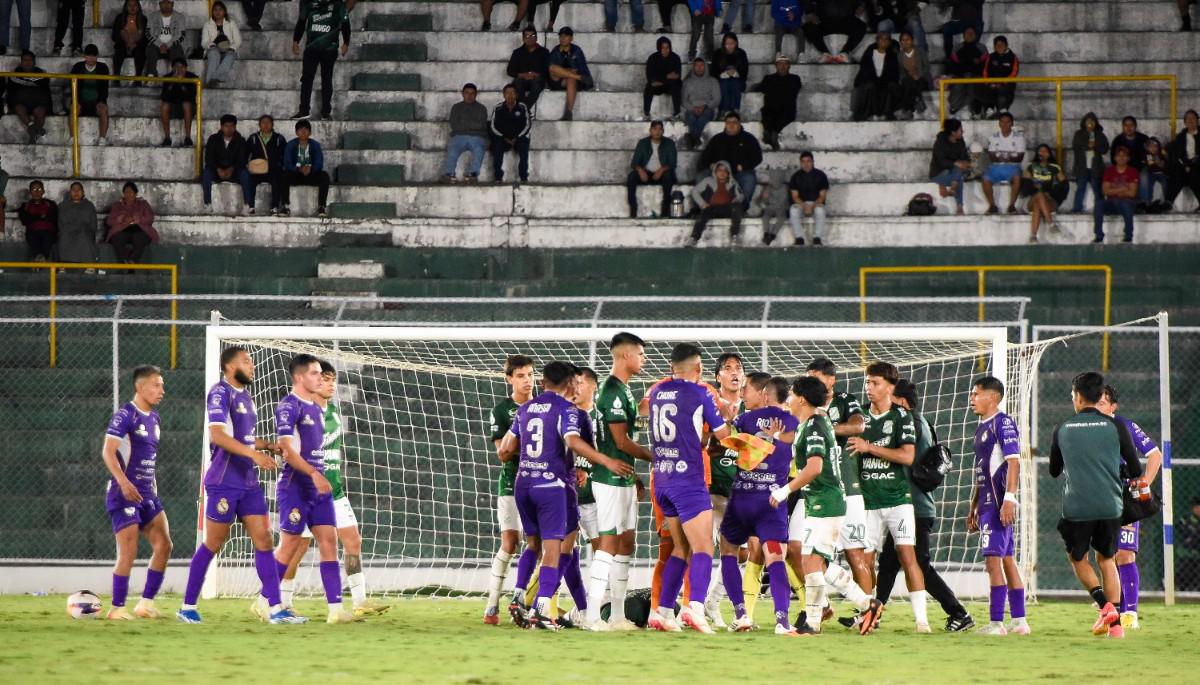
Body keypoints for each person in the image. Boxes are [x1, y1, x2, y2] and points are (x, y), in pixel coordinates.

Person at [498, 362, 633, 630]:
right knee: (554, 550)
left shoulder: (525, 409)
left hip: (524, 484)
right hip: (552, 487)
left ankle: (517, 596)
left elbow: (504, 451)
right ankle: (539, 608)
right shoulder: (567, 411)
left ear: (544, 381)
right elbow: (572, 441)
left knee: (538, 544)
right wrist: (605, 461)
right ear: (570, 383)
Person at [177, 347, 303, 625]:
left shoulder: (246, 396)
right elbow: (218, 436)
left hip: (247, 482)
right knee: (213, 543)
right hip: (224, 482)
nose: (253, 365)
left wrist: (266, 446)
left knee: (264, 539)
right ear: (230, 367)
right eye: (247, 361)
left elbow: (243, 438)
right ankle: (187, 606)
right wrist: (254, 455)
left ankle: (275, 607)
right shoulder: (220, 393)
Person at [273, 362, 389, 619]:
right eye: (325, 379)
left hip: (334, 491)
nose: (330, 384)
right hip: (307, 490)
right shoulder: (306, 413)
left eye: (333, 379)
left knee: (353, 540)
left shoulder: (334, 413)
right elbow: (292, 450)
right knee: (297, 547)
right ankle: (282, 600)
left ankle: (359, 600)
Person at [1048, 371, 1143, 639]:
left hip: (1077, 506)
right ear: (1100, 396)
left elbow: (1055, 471)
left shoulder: (1063, 428)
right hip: (1112, 506)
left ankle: (1105, 607)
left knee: (1078, 559)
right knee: (1107, 559)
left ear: (1078, 397)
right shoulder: (1117, 427)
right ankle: (1115, 629)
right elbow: (1135, 468)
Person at [644, 343, 730, 633]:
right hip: (689, 481)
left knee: (680, 548)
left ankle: (662, 611)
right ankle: (694, 608)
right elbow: (723, 434)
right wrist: (726, 417)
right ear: (699, 368)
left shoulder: (657, 392)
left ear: (672, 366)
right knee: (704, 546)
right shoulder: (700, 392)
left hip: (663, 480)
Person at [875, 379, 973, 633]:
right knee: (888, 564)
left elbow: (903, 459)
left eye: (892, 400)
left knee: (919, 565)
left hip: (914, 507)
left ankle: (959, 612)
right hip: (910, 505)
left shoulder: (911, 424)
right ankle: (872, 613)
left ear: (903, 402)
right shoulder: (921, 422)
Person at [784, 375, 879, 635]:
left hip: (826, 501)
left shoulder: (814, 425)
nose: (789, 399)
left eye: (791, 394)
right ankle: (865, 604)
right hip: (819, 500)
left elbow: (814, 467)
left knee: (812, 564)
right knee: (815, 563)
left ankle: (815, 623)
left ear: (802, 398)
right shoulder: (812, 422)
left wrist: (784, 491)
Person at [846, 361, 931, 633]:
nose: (869, 388)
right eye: (867, 382)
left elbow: (906, 456)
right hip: (866, 501)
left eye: (875, 383)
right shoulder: (858, 417)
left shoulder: (902, 417)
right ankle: (870, 614)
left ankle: (922, 621)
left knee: (908, 556)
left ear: (890, 387)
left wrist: (869, 447)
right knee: (865, 561)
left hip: (897, 499)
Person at [717, 372, 800, 635]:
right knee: (775, 556)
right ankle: (781, 621)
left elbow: (723, 441)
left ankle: (741, 614)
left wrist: (728, 418)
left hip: (742, 498)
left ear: (765, 395)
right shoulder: (793, 422)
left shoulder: (745, 419)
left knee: (728, 552)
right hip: (772, 500)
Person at [582, 332, 653, 631]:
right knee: (609, 544)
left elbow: (630, 432)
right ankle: (591, 616)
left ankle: (619, 615)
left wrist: (645, 412)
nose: (643, 359)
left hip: (623, 478)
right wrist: (657, 459)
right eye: (639, 353)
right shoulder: (611, 390)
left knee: (626, 544)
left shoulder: (623, 391)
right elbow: (621, 442)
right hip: (609, 479)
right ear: (625, 355)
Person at [805, 357, 874, 625]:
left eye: (817, 377)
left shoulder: (845, 400)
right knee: (807, 552)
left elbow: (858, 425)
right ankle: (820, 608)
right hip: (817, 491)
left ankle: (867, 613)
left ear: (831, 379)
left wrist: (826, 428)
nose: (812, 382)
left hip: (849, 489)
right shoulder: (806, 406)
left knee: (856, 554)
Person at [101, 366, 172, 620]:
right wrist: (123, 482)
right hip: (124, 494)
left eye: (162, 386)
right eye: (156, 385)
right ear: (140, 387)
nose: (161, 390)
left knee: (164, 545)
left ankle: (145, 604)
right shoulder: (125, 415)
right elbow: (108, 452)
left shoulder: (155, 419)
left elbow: (148, 458)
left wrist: (153, 490)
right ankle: (117, 608)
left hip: (147, 494)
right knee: (128, 551)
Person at [964, 376, 1028, 635]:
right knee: (1008, 560)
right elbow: (983, 472)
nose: (972, 399)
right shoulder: (981, 427)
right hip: (988, 504)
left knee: (993, 563)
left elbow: (1014, 462)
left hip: (1000, 504)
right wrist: (974, 506)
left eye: (976, 394)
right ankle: (1020, 621)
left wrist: (1009, 500)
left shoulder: (1003, 423)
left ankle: (996, 623)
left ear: (993, 397)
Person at [1096, 384, 1163, 630]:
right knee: (1106, 555)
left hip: (1123, 496)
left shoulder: (1125, 425)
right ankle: (1114, 608)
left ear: (1114, 406)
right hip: (1096, 497)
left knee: (1125, 554)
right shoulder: (1087, 428)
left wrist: (1144, 483)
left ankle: (1130, 614)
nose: (1098, 407)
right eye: (1096, 402)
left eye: (1103, 402)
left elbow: (1154, 454)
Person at [482, 355, 536, 625]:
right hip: (512, 482)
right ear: (509, 379)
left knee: (541, 543)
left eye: (530, 375)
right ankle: (492, 604)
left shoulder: (542, 405)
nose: (527, 380)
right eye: (521, 376)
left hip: (541, 483)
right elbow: (501, 454)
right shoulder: (502, 411)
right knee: (510, 543)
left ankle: (533, 602)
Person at [293, 0, 351, 119]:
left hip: (330, 49)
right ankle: (304, 110)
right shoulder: (308, 3)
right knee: (306, 78)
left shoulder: (338, 5)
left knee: (327, 79)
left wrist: (346, 43)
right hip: (311, 48)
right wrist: (295, 41)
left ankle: (326, 112)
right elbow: (301, 22)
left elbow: (345, 24)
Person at [699, 111, 761, 207]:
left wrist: (744, 166)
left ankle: (741, 207)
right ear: (725, 124)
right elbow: (705, 158)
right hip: (719, 173)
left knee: (749, 178)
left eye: (734, 122)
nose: (731, 125)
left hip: (739, 172)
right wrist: (712, 165)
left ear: (739, 123)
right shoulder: (717, 139)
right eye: (728, 122)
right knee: (701, 176)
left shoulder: (749, 139)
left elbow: (757, 157)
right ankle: (705, 206)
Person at [627, 120, 677, 218]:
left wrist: (661, 170)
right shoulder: (643, 143)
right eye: (655, 129)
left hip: (662, 174)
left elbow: (672, 163)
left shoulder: (669, 143)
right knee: (631, 176)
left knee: (668, 176)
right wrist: (640, 170)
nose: (657, 131)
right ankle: (633, 208)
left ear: (663, 131)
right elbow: (634, 163)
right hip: (646, 174)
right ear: (650, 130)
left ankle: (665, 211)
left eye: (660, 129)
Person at [281, 119, 331, 217]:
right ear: (296, 132)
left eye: (306, 129)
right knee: (283, 175)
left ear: (310, 132)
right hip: (296, 174)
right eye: (300, 130)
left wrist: (310, 169)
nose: (303, 132)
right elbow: (287, 163)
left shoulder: (315, 145)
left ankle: (321, 206)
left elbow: (319, 162)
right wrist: (298, 169)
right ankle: (285, 206)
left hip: (310, 174)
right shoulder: (291, 145)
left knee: (324, 176)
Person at [752, 53, 803, 150]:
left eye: (785, 64)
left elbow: (793, 91)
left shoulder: (794, 78)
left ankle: (772, 134)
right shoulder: (769, 78)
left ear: (789, 66)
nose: (782, 66)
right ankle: (770, 134)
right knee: (766, 113)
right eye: (780, 64)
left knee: (785, 114)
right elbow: (759, 88)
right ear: (776, 66)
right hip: (771, 108)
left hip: (787, 109)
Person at [202, 113, 250, 215]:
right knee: (206, 173)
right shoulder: (213, 139)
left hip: (234, 172)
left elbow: (242, 160)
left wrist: (231, 169)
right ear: (221, 126)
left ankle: (247, 205)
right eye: (226, 126)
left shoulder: (240, 141)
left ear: (235, 127)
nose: (229, 129)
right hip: (217, 171)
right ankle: (207, 204)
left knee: (245, 174)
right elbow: (209, 158)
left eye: (232, 126)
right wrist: (218, 169)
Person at [443, 83, 490, 183]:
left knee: (479, 149)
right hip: (459, 136)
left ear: (476, 95)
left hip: (477, 137)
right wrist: (473, 124)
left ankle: (473, 174)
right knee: (453, 149)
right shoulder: (456, 107)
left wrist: (464, 122)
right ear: (462, 94)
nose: (469, 96)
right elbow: (454, 125)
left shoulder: (482, 108)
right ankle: (449, 174)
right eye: (467, 93)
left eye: (472, 93)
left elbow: (481, 125)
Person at [689, 161, 744, 245]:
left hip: (727, 208)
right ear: (715, 171)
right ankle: (694, 238)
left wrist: (736, 199)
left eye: (725, 171)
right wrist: (702, 203)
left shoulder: (733, 182)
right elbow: (694, 191)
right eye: (720, 170)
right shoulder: (708, 180)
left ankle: (734, 236)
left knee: (737, 208)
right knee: (702, 215)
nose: (722, 173)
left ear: (728, 173)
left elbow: (741, 195)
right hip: (712, 208)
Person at [1022, 144, 1068, 242]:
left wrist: (1051, 194)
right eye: (1040, 151)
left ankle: (1033, 236)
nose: (1042, 153)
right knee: (1039, 195)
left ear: (1049, 154)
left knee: (1037, 205)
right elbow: (1025, 184)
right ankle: (1050, 223)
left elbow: (1064, 185)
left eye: (1045, 151)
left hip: (1050, 200)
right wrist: (1034, 187)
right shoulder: (1031, 166)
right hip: (1033, 197)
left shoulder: (1054, 167)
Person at [982, 112, 1025, 214]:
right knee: (985, 179)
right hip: (996, 167)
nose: (1005, 124)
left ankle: (1012, 206)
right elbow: (992, 157)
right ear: (999, 123)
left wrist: (1001, 155)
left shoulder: (1019, 138)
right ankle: (992, 206)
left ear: (1012, 123)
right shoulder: (993, 137)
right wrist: (1010, 155)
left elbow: (1020, 157)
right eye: (1003, 122)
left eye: (1008, 122)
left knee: (1017, 178)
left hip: (1013, 167)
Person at [68, 45, 111, 146]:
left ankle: (102, 138)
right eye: (88, 56)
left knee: (103, 109)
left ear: (97, 56)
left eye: (93, 56)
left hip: (96, 101)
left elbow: (105, 87)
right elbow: (72, 86)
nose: (91, 59)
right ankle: (73, 137)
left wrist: (101, 101)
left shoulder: (103, 67)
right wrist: (76, 101)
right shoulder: (77, 67)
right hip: (81, 101)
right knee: (73, 108)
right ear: (84, 56)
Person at [105, 182, 158, 264]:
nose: (128, 194)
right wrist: (121, 219)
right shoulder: (117, 206)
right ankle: (124, 261)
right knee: (117, 238)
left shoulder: (143, 204)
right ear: (123, 194)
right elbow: (109, 221)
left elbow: (150, 218)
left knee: (140, 238)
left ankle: (133, 261)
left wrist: (138, 219)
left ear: (136, 194)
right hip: (122, 230)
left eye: (131, 192)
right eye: (126, 192)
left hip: (139, 230)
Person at [243, 114, 286, 215]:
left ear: (272, 125)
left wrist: (279, 165)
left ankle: (274, 207)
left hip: (273, 170)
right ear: (259, 125)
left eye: (268, 123)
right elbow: (245, 154)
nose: (266, 125)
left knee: (276, 180)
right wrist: (247, 165)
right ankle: (251, 206)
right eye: (263, 123)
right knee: (250, 180)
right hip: (257, 170)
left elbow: (284, 155)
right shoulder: (253, 138)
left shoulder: (279, 139)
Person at [1094, 145, 1138, 243]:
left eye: (1124, 156)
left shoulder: (1132, 171)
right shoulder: (1109, 171)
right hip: (1112, 202)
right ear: (1114, 158)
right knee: (1099, 204)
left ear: (1128, 158)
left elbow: (1132, 193)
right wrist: (1122, 189)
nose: (1121, 158)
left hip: (1127, 202)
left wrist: (1114, 190)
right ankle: (1098, 235)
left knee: (1125, 204)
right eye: (1119, 155)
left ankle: (1128, 235)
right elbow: (1105, 191)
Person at [851, 31, 899, 122]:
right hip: (868, 81)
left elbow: (893, 74)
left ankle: (886, 113)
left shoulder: (892, 55)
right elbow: (864, 71)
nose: (883, 41)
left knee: (891, 86)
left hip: (884, 82)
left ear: (889, 42)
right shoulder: (869, 52)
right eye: (881, 38)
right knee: (870, 86)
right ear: (877, 40)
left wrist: (882, 81)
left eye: (886, 39)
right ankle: (868, 114)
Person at [548, 27, 593, 121]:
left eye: (566, 36)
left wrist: (566, 72)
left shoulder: (577, 50)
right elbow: (552, 69)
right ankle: (576, 77)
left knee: (571, 79)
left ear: (571, 38)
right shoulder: (555, 50)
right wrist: (569, 71)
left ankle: (568, 112)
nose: (563, 38)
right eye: (561, 36)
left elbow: (582, 69)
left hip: (575, 81)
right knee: (553, 68)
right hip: (560, 80)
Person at [489, 84, 532, 184]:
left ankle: (523, 177)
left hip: (519, 137)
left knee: (524, 147)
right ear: (504, 95)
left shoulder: (522, 107)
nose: (510, 95)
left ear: (516, 95)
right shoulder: (498, 108)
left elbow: (528, 125)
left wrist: (517, 137)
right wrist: (504, 137)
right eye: (507, 93)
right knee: (497, 146)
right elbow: (493, 126)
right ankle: (498, 177)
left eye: (512, 92)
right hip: (503, 138)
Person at [802, 0, 867, 64]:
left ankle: (844, 53)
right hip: (824, 20)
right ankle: (825, 54)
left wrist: (861, 5)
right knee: (809, 27)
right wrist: (809, 12)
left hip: (847, 20)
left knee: (861, 26)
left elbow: (862, 2)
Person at [786, 150, 829, 245]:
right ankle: (799, 238)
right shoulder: (795, 177)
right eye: (803, 161)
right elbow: (795, 196)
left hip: (816, 203)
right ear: (800, 163)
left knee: (820, 210)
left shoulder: (821, 176)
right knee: (793, 210)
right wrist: (805, 206)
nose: (806, 164)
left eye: (808, 161)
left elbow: (822, 196)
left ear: (813, 162)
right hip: (801, 203)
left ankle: (817, 238)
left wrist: (812, 206)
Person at [7, 51, 51, 144]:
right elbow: (11, 93)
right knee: (19, 108)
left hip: (38, 103)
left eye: (30, 60)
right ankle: (34, 128)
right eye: (25, 60)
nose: (27, 62)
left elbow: (46, 91)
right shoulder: (15, 73)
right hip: (21, 103)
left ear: (34, 62)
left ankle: (33, 134)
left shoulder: (42, 73)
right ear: (21, 62)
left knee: (40, 111)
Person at [930, 118, 971, 214]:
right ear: (953, 132)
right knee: (958, 175)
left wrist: (966, 163)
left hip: (954, 174)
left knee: (958, 172)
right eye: (960, 130)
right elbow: (941, 161)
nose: (962, 132)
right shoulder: (940, 142)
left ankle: (959, 204)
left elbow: (965, 156)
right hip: (939, 174)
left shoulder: (960, 141)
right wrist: (955, 163)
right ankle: (959, 206)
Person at [1071, 112, 1109, 214]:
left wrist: (1095, 146)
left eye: (1092, 121)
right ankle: (1077, 209)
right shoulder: (1079, 134)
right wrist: (1088, 145)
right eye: (1088, 121)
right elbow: (1077, 146)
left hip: (1095, 167)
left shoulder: (1100, 135)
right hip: (1082, 167)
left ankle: (1100, 208)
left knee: (1097, 188)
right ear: (1084, 122)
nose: (1090, 123)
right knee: (1080, 188)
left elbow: (1105, 148)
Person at [973, 36, 1018, 119]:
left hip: (1006, 85)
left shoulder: (1012, 57)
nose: (999, 47)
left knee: (1003, 92)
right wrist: (990, 83)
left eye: (1002, 44)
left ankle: (1002, 111)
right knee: (978, 88)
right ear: (994, 47)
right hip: (991, 85)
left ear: (1007, 45)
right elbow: (985, 72)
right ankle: (987, 110)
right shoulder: (991, 57)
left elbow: (1013, 73)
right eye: (997, 45)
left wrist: (1001, 83)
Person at [944, 25, 984, 118]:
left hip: (976, 75)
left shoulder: (981, 48)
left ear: (976, 35)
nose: (969, 35)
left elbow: (983, 64)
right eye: (967, 33)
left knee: (973, 85)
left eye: (972, 33)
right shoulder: (957, 47)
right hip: (960, 74)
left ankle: (971, 109)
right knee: (958, 85)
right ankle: (954, 108)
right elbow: (954, 63)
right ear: (963, 35)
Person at [57, 182, 100, 265]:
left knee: (83, 235)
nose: (76, 192)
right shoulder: (63, 206)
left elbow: (93, 224)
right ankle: (63, 265)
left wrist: (83, 227)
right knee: (64, 236)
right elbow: (61, 223)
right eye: (74, 190)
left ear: (83, 192)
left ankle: (89, 265)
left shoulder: (89, 206)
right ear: (70, 192)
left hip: (84, 232)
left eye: (79, 190)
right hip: (67, 232)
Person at [681, 57, 719, 149]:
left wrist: (705, 107)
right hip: (691, 108)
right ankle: (696, 140)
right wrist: (693, 108)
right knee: (691, 118)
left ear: (705, 67)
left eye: (701, 65)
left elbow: (717, 98)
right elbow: (683, 100)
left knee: (702, 119)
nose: (699, 68)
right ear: (693, 67)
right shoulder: (687, 82)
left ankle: (692, 139)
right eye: (696, 65)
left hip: (708, 108)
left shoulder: (713, 81)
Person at [507, 28, 550, 110]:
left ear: (536, 38)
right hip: (522, 79)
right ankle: (525, 109)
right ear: (523, 38)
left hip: (537, 79)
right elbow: (510, 70)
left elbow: (548, 69)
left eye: (532, 36)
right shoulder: (517, 52)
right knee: (517, 84)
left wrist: (537, 74)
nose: (530, 38)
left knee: (537, 84)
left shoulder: (544, 52)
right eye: (527, 36)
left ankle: (524, 109)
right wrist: (522, 75)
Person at [145, 0, 189, 78]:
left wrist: (167, 45)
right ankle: (151, 75)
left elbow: (181, 35)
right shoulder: (152, 16)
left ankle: (177, 76)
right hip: (156, 46)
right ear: (159, 4)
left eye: (168, 2)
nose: (166, 5)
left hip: (173, 45)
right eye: (163, 3)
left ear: (172, 4)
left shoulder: (180, 17)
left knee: (176, 50)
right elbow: (149, 34)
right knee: (150, 49)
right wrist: (160, 45)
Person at [1167, 109, 1200, 211]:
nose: (1190, 121)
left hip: (1198, 164)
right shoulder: (1180, 137)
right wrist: (1185, 165)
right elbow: (1177, 155)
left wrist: (1194, 163)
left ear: (1198, 121)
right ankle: (1168, 202)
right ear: (1185, 122)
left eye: (1193, 118)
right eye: (1188, 119)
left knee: (1195, 175)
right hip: (1184, 165)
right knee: (1176, 175)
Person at [159, 58, 196, 147]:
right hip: (173, 108)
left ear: (186, 68)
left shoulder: (192, 78)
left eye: (182, 67)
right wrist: (172, 82)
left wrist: (181, 83)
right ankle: (167, 138)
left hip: (188, 109)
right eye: (177, 67)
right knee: (164, 105)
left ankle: (188, 137)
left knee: (186, 104)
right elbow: (164, 97)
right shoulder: (168, 78)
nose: (179, 70)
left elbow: (191, 97)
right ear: (172, 68)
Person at [202, 1, 240, 86]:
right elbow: (204, 42)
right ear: (212, 12)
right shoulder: (207, 25)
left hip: (228, 49)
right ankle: (212, 81)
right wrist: (212, 45)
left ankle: (212, 79)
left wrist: (231, 47)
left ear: (224, 11)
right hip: (214, 49)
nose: (218, 12)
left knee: (231, 55)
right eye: (215, 10)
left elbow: (237, 40)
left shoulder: (231, 23)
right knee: (214, 53)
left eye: (220, 9)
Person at [18, 180, 57, 261]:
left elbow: (52, 217)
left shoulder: (50, 204)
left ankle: (40, 258)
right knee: (34, 238)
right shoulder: (25, 205)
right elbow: (25, 220)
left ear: (43, 191)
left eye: (39, 189)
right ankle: (40, 257)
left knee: (47, 238)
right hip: (33, 232)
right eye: (34, 190)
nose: (36, 192)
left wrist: (34, 217)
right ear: (30, 192)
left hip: (48, 231)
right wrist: (40, 216)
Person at [644, 36, 682, 119]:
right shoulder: (652, 58)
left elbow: (677, 76)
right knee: (649, 86)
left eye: (667, 47)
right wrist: (667, 76)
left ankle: (677, 113)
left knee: (676, 85)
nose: (665, 50)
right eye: (663, 48)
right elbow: (650, 76)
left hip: (669, 85)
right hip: (657, 86)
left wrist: (661, 80)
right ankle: (646, 113)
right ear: (659, 48)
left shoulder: (675, 58)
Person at [895, 30, 930, 118]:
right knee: (908, 82)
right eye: (903, 40)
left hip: (922, 79)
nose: (905, 42)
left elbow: (927, 67)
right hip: (908, 80)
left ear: (912, 40)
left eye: (908, 39)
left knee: (912, 85)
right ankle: (918, 99)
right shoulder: (899, 55)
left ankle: (907, 109)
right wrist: (909, 76)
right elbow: (900, 71)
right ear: (900, 42)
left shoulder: (920, 51)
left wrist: (918, 75)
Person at [710, 32, 748, 114]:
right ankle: (724, 110)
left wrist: (736, 73)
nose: (729, 46)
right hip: (721, 81)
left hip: (738, 81)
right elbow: (713, 72)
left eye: (732, 43)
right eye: (727, 43)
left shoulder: (741, 53)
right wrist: (722, 75)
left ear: (736, 43)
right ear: (723, 44)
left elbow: (744, 72)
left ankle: (735, 110)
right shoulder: (718, 53)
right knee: (724, 83)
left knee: (734, 83)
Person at [111, 0, 149, 82]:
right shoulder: (120, 18)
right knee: (119, 52)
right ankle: (116, 78)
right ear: (126, 7)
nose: (132, 8)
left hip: (138, 46)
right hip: (123, 45)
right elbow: (114, 36)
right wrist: (126, 42)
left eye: (135, 5)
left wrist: (135, 43)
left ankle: (138, 79)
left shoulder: (143, 19)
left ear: (138, 7)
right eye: (130, 5)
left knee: (141, 52)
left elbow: (146, 38)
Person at [758, 168, 791, 245]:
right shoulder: (768, 188)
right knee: (765, 217)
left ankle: (773, 234)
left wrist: (770, 202)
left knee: (781, 218)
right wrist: (764, 198)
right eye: (772, 178)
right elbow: (763, 202)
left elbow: (782, 201)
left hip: (781, 208)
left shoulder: (784, 188)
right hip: (770, 207)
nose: (773, 180)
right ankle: (766, 233)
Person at [1140, 137, 1169, 212]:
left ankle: (1164, 201)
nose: (1153, 149)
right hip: (1152, 173)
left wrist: (1162, 160)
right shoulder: (1148, 155)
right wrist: (1158, 163)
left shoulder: (1161, 154)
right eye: (1151, 147)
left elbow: (1165, 163)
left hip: (1162, 173)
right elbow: (1151, 165)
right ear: (1147, 148)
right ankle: (1147, 201)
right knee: (1149, 184)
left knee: (1165, 183)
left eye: (1155, 146)